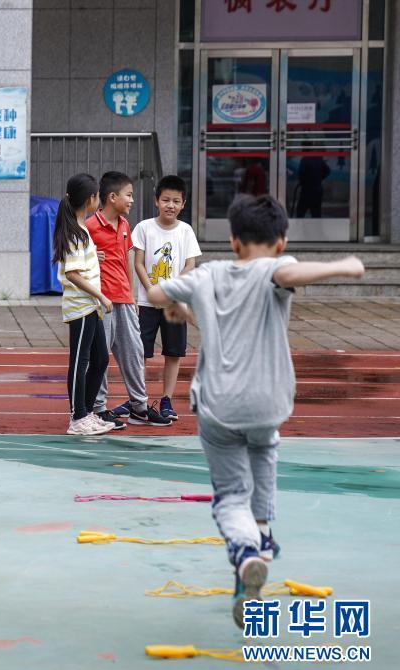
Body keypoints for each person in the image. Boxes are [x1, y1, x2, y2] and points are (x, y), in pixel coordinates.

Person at [148, 194, 364, 628]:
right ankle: (261, 537)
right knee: (265, 458)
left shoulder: (208, 274)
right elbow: (287, 273)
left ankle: (246, 551)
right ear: (281, 242)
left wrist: (175, 305)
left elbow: (155, 293)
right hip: (267, 404)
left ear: (233, 241)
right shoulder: (276, 269)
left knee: (231, 495)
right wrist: (343, 265)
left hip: (218, 406)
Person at [86, 172, 170, 430]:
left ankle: (139, 407)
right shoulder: (89, 226)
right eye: (129, 195)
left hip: (124, 299)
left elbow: (127, 260)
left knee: (134, 352)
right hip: (101, 301)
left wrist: (132, 295)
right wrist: (91, 257)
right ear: (112, 197)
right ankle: (99, 409)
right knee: (100, 356)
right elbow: (75, 260)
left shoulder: (124, 225)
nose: (132, 200)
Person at [132, 175, 201, 421]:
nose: (170, 205)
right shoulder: (144, 228)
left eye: (176, 201)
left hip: (174, 304)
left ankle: (166, 399)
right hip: (147, 302)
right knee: (140, 352)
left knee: (173, 352)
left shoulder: (186, 231)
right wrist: (151, 289)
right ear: (156, 201)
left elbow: (190, 265)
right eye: (165, 200)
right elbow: (138, 263)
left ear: (183, 204)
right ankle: (138, 399)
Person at [54, 173, 114, 437]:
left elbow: (78, 263)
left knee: (101, 359)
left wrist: (93, 257)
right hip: (81, 307)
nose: (99, 200)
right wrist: (101, 296)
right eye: (98, 196)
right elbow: (72, 273)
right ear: (91, 199)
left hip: (90, 307)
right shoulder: (76, 233)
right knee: (80, 361)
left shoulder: (81, 230)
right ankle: (77, 417)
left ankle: (87, 412)